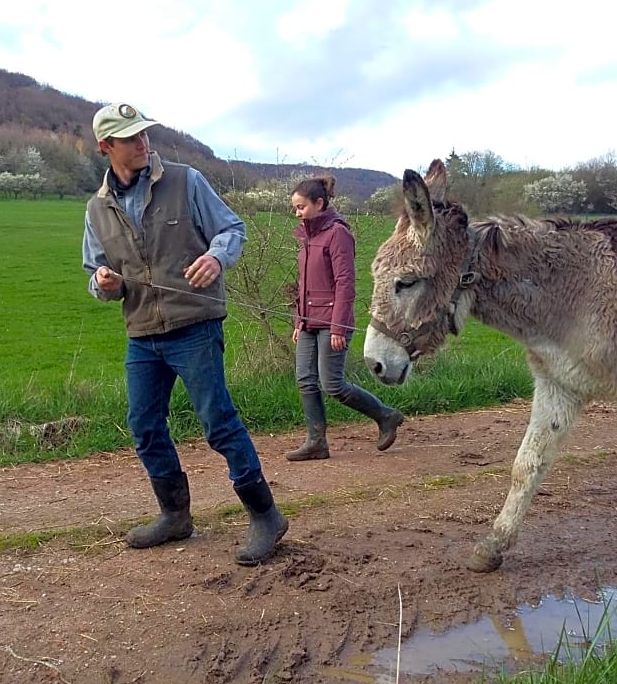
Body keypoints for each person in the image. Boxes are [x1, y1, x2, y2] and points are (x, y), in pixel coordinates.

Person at [81, 102, 288, 565]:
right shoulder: (97, 209)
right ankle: (175, 515)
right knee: (144, 426)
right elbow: (97, 276)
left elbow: (232, 229)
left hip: (195, 325)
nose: (143, 143)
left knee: (218, 422)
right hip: (142, 333)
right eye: (131, 137)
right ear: (105, 147)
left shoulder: (185, 179)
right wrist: (104, 283)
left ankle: (266, 515)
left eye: (144, 134)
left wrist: (216, 257)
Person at [288, 175, 404, 461]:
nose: (297, 213)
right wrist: (298, 321)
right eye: (295, 208)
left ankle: (386, 416)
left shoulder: (337, 233)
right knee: (305, 380)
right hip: (308, 323)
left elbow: (345, 283)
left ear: (319, 203)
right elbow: (304, 283)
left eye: (301, 207)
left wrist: (338, 325)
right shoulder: (307, 235)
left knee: (333, 385)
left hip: (332, 323)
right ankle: (316, 442)